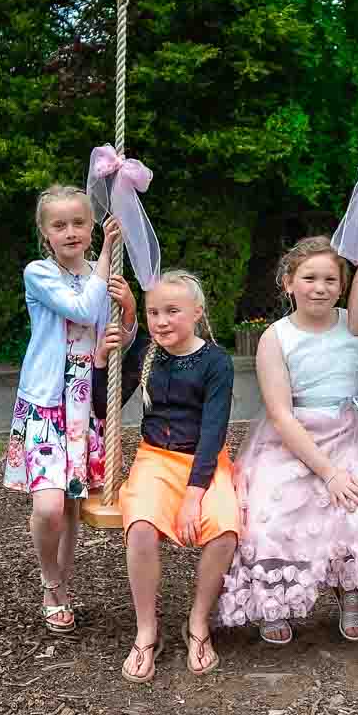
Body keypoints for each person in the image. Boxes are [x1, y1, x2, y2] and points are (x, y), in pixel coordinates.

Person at [218, 237, 358, 645]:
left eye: (330, 279)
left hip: (349, 434)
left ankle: (352, 593)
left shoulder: (354, 326)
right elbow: (281, 414)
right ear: (288, 283)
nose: (319, 287)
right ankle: (275, 601)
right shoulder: (276, 337)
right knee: (273, 516)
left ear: (342, 287)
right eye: (309, 278)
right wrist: (327, 473)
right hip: (292, 440)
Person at [95, 269, 239, 681]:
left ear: (197, 312)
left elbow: (214, 432)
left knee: (225, 528)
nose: (160, 321)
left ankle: (197, 623)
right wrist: (105, 361)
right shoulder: (146, 353)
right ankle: (146, 631)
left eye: (172, 311)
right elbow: (105, 410)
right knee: (139, 526)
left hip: (204, 461)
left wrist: (195, 494)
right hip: (154, 459)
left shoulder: (215, 362)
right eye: (154, 312)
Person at [2, 184, 124, 635]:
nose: (70, 232)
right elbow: (81, 306)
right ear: (45, 232)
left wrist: (122, 327)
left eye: (79, 222)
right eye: (60, 225)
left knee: (71, 505)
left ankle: (62, 586)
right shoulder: (40, 272)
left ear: (91, 225)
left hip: (83, 402)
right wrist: (110, 251)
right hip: (46, 402)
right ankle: (49, 579)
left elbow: (111, 333)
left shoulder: (99, 272)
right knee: (50, 507)